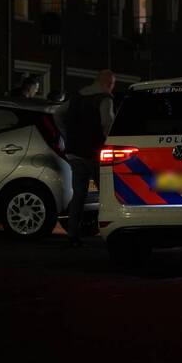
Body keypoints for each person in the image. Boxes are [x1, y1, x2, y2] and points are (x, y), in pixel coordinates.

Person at [64, 69, 116, 247]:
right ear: (108, 83)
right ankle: (108, 231)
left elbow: (57, 113)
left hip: (74, 152)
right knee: (106, 193)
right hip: (95, 153)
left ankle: (73, 234)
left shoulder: (77, 96)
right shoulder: (104, 99)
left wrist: (65, 134)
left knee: (78, 194)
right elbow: (107, 123)